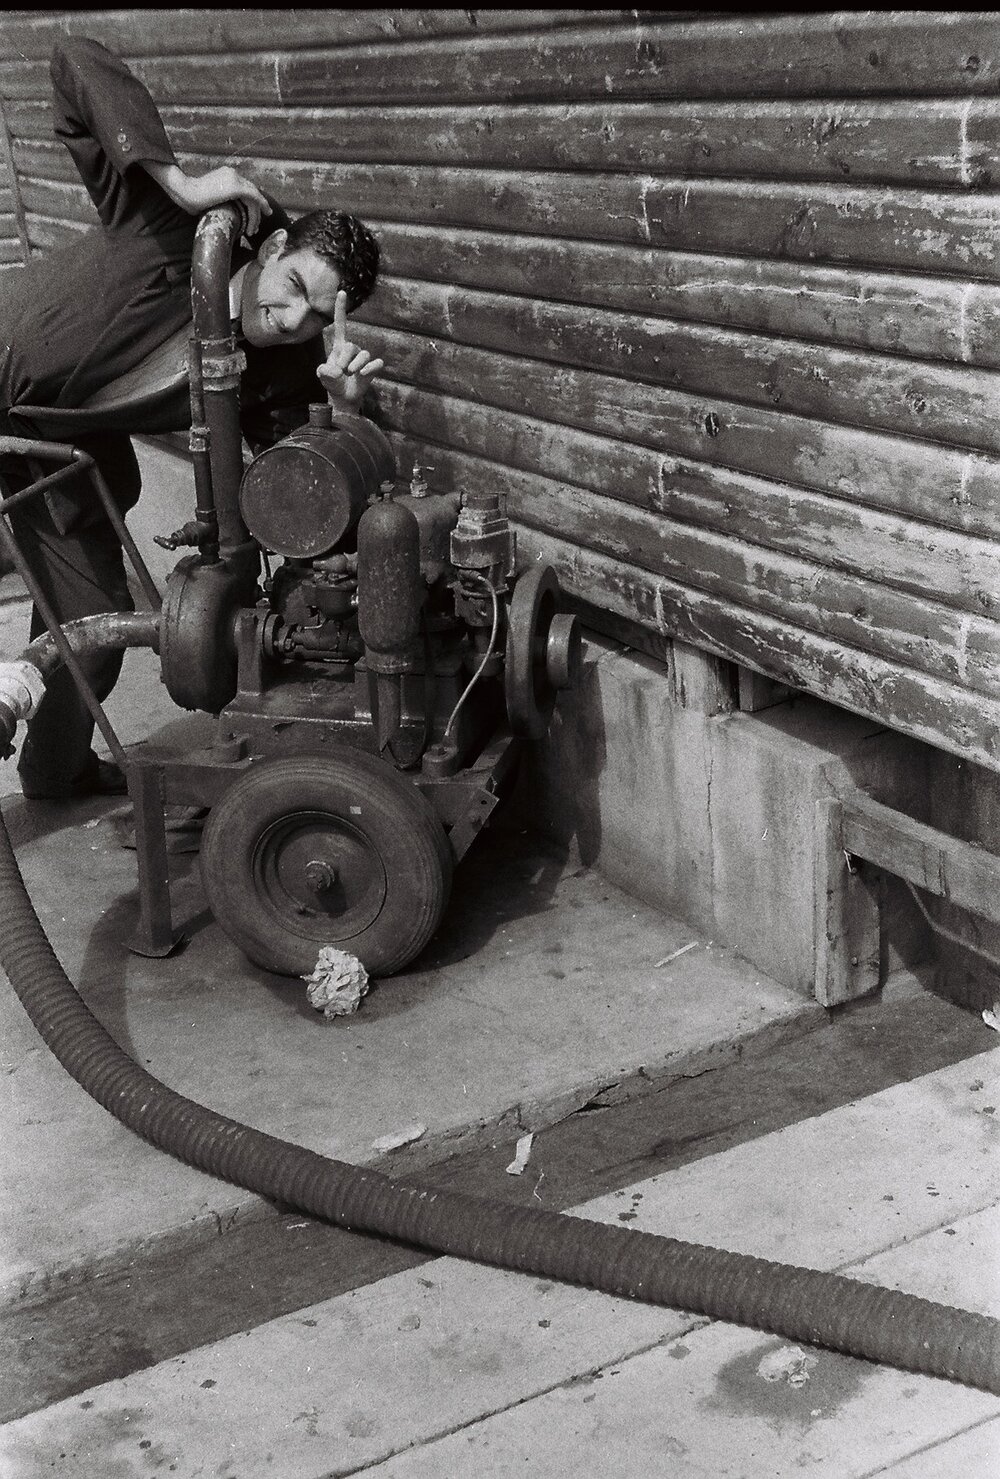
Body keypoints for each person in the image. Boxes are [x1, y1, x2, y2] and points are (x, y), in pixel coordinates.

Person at [0, 36, 384, 800]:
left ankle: (55, 770)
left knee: (93, 630)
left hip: (48, 449)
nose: (294, 316)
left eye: (316, 314)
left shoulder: (276, 371)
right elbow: (74, 60)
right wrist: (174, 177)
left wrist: (340, 414)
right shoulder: (172, 224)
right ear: (272, 247)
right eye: (295, 285)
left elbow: (292, 488)